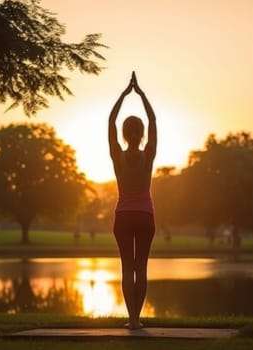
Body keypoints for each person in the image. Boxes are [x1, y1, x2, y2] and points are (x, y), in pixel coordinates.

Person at [108, 72, 157, 329]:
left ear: (126, 135)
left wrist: (124, 95)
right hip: (145, 216)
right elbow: (153, 119)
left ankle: (133, 320)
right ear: (141, 135)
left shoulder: (117, 155)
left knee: (128, 268)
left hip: (124, 217)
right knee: (142, 268)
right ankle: (137, 319)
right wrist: (142, 95)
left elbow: (110, 121)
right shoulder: (149, 154)